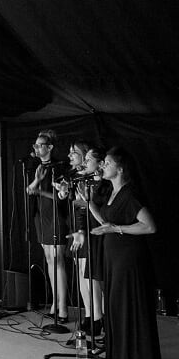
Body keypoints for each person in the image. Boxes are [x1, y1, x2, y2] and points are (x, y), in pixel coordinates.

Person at [89, 147, 162, 359]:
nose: (104, 166)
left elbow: (149, 226)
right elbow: (107, 223)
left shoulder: (130, 194)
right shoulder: (113, 192)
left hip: (128, 258)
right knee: (115, 304)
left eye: (108, 163)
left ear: (120, 169)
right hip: (114, 257)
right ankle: (120, 353)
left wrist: (117, 229)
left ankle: (136, 357)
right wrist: (90, 205)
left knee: (127, 303)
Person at [58, 143, 110, 338]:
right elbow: (77, 205)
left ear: (100, 163)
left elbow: (97, 211)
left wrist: (82, 228)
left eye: (87, 158)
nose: (83, 161)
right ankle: (89, 314)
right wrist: (64, 192)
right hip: (80, 230)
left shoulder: (104, 185)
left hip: (94, 234)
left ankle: (98, 318)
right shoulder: (81, 180)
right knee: (82, 274)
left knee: (92, 277)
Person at [25, 129, 71, 322]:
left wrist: (41, 191)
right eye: (34, 145)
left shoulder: (60, 167)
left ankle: (63, 307)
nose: (36, 148)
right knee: (50, 261)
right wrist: (37, 181)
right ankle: (54, 302)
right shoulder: (38, 167)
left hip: (56, 216)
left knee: (58, 260)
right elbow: (29, 190)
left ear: (49, 147)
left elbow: (63, 197)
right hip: (41, 217)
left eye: (39, 145)